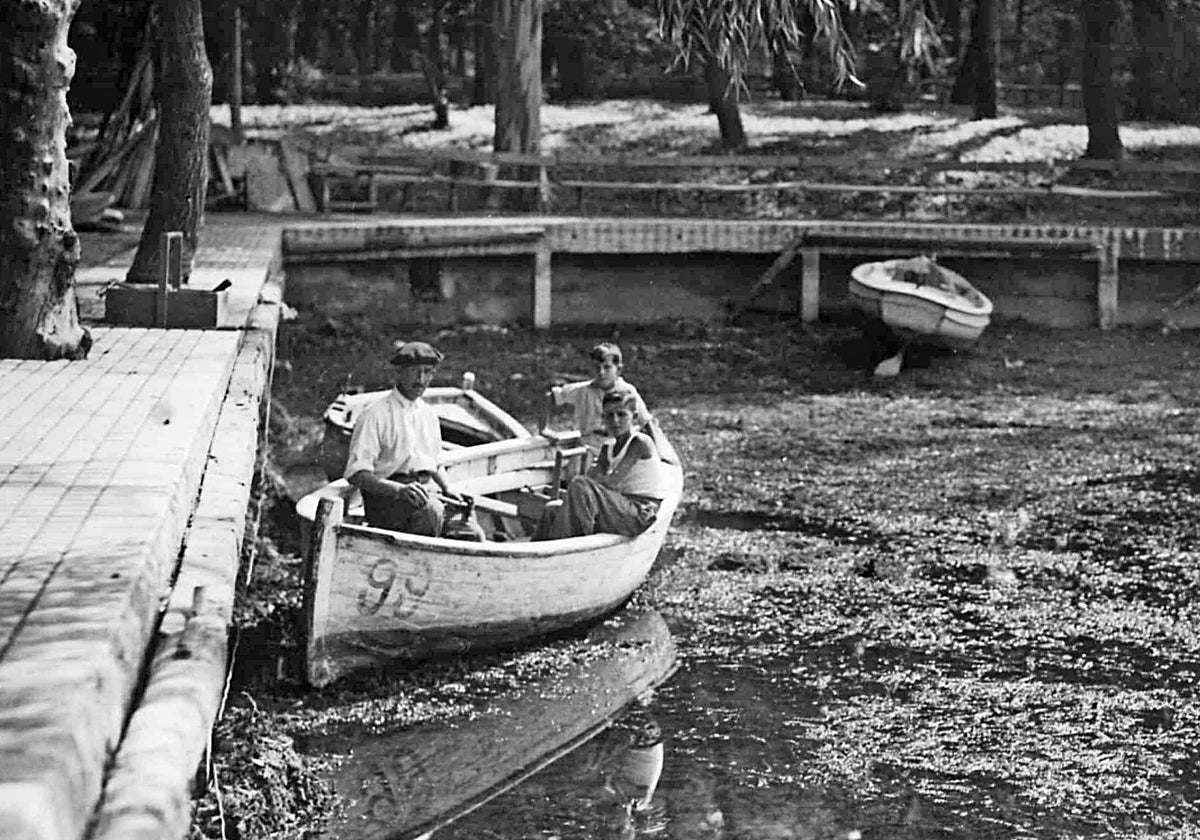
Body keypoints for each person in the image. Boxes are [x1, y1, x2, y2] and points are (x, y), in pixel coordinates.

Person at [343, 340, 470, 537]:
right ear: (399, 372)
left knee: (470, 531)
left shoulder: (428, 415)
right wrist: (399, 490)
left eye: (427, 372)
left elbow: (436, 464)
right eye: (414, 371)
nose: (421, 379)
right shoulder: (375, 414)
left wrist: (447, 488)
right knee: (431, 513)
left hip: (425, 492)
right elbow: (357, 474)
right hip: (386, 500)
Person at [534, 388, 667, 541]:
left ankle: (565, 547)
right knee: (552, 509)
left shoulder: (639, 442)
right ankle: (533, 554)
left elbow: (610, 482)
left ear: (634, 417)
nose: (615, 421)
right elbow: (593, 482)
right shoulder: (607, 448)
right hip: (619, 507)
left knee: (580, 485)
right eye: (609, 416)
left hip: (640, 513)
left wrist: (590, 484)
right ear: (603, 417)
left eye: (621, 414)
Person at [544, 342, 650, 455]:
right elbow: (549, 397)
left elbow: (647, 422)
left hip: (619, 446)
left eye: (607, 367)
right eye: (597, 367)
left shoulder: (627, 391)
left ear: (618, 370)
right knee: (574, 467)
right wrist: (543, 430)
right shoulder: (582, 390)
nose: (601, 372)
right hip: (589, 445)